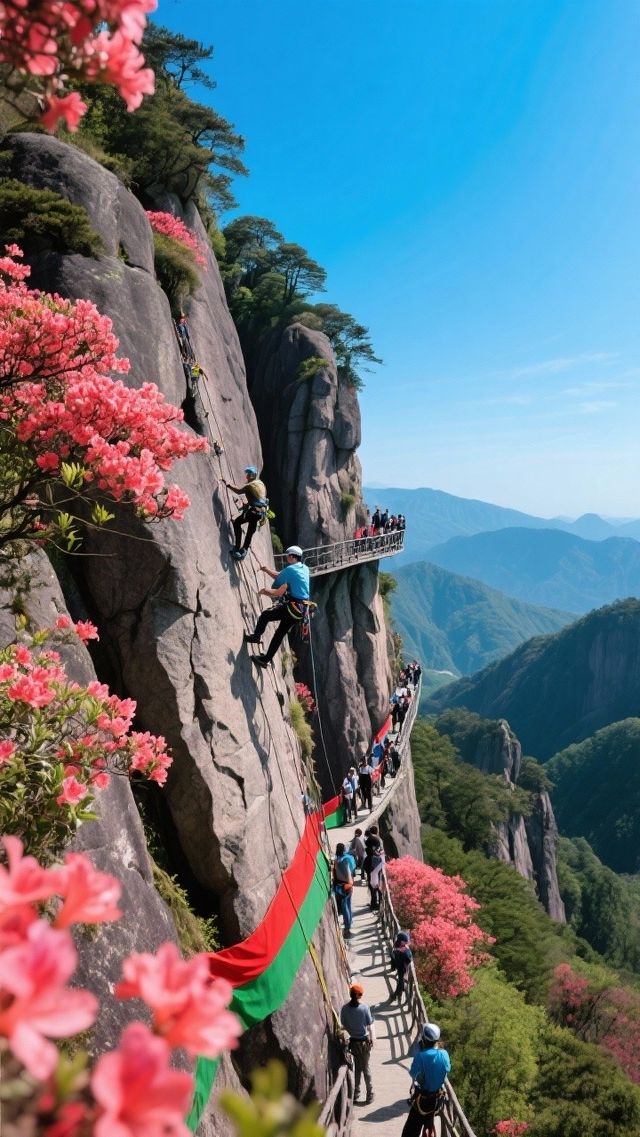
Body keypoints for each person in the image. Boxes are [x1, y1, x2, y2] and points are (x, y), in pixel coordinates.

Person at [244, 547, 311, 668]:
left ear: (292, 556)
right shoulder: (305, 568)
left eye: (288, 555)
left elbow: (278, 590)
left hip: (293, 607)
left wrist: (265, 591)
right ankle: (265, 659)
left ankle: (256, 637)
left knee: (265, 615)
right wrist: (267, 570)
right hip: (301, 610)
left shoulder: (291, 569)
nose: (286, 557)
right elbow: (281, 575)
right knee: (279, 634)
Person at [402, 1023, 450, 1137]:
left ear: (423, 1039)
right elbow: (447, 1068)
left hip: (422, 1099)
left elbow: (413, 1074)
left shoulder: (420, 1056)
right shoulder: (444, 1054)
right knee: (429, 1128)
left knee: (410, 1131)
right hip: (436, 1100)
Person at [340, 983, 375, 1105]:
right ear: (359, 995)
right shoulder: (364, 1008)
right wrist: (371, 1039)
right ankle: (370, 1094)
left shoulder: (344, 1009)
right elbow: (369, 1024)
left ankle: (356, 1092)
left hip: (353, 1043)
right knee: (366, 1068)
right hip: (364, 1042)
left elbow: (343, 1024)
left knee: (357, 1068)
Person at [225, 466, 269, 560]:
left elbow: (238, 491)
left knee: (237, 523)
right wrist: (245, 506)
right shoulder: (260, 483)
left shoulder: (250, 485)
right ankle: (244, 550)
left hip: (252, 512)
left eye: (248, 474)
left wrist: (228, 485)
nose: (247, 476)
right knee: (250, 532)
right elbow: (258, 499)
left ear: (252, 475)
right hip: (260, 513)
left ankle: (237, 548)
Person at [333, 842, 356, 938]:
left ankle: (348, 925)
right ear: (343, 850)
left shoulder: (336, 860)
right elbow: (350, 871)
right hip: (347, 885)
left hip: (340, 885)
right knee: (347, 905)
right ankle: (348, 926)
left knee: (345, 905)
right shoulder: (346, 860)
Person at [390, 931, 412, 1002]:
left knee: (400, 980)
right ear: (401, 941)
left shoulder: (399, 947)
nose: (406, 943)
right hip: (400, 966)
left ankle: (396, 994)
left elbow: (408, 958)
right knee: (400, 981)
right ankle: (399, 991)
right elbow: (409, 958)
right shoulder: (401, 949)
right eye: (405, 941)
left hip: (400, 966)